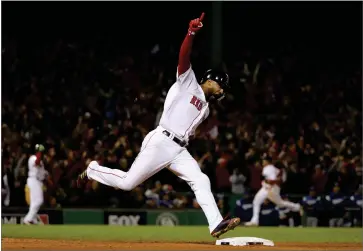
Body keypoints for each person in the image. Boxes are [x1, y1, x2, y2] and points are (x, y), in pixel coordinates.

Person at [77, 13, 240, 238]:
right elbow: (184, 57)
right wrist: (191, 33)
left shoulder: (207, 109)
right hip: (162, 140)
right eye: (223, 87)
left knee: (201, 179)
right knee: (127, 184)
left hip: (179, 149)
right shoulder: (188, 82)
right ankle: (94, 169)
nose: (223, 91)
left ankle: (215, 224)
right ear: (213, 81)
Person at [245, 155, 301, 226]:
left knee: (280, 203)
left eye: (263, 161)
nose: (262, 162)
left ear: (267, 161)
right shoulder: (271, 168)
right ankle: (254, 221)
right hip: (266, 188)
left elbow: (273, 180)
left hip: (271, 188)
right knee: (256, 201)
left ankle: (297, 206)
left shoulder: (268, 168)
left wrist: (268, 182)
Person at [24, 144, 48, 225]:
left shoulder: (40, 160)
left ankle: (32, 219)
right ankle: (28, 219)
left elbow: (42, 170)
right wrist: (39, 152)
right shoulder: (32, 158)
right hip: (34, 180)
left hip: (38, 181)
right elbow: (37, 162)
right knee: (39, 201)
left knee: (34, 202)